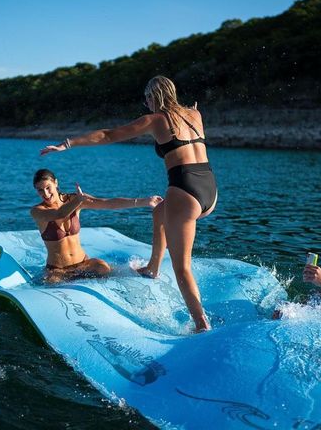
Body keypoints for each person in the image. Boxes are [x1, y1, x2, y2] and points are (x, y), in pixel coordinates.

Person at [40, 76, 217, 332]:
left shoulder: (155, 119)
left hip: (185, 190)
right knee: (159, 211)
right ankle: (153, 268)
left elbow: (108, 135)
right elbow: (191, 124)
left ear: (153, 97)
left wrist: (67, 144)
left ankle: (201, 324)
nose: (146, 103)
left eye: (147, 98)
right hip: (209, 190)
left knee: (182, 268)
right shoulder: (195, 114)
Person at [31, 168, 162, 283]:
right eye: (40, 190)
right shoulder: (37, 211)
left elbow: (107, 203)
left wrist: (145, 201)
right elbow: (59, 213)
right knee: (52, 283)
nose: (46, 194)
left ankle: (142, 270)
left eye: (48, 187)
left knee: (103, 268)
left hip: (83, 264)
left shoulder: (75, 199)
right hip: (57, 271)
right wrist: (79, 200)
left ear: (56, 183)